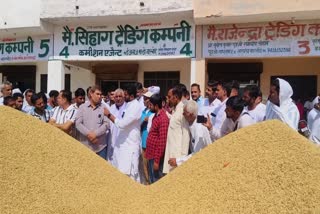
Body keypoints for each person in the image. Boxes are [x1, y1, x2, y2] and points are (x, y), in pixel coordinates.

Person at [103, 83, 142, 182]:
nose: (124, 97)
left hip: (130, 147)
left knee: (131, 177)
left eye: (125, 95)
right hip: (121, 147)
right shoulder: (129, 105)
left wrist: (109, 115)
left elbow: (122, 124)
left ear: (132, 96)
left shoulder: (135, 107)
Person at [168, 100, 211, 168]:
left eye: (184, 113)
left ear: (191, 114)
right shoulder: (191, 122)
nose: (183, 114)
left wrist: (177, 161)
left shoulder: (199, 129)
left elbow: (197, 154)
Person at [75, 86, 110, 159]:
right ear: (91, 94)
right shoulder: (82, 107)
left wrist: (95, 134)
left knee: (101, 169)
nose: (100, 96)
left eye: (100, 94)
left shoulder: (104, 108)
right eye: (97, 94)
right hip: (85, 146)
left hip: (100, 147)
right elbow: (78, 123)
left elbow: (106, 124)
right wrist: (89, 134)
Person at [163, 86, 190, 174]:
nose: (168, 99)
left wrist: (182, 158)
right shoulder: (176, 109)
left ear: (176, 97)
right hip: (171, 151)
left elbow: (186, 134)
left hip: (177, 155)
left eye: (169, 97)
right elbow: (175, 123)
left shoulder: (183, 110)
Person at [145, 94, 170, 183]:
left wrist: (157, 161)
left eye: (151, 105)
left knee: (157, 182)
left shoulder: (163, 119)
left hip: (156, 157)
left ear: (156, 106)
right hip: (151, 155)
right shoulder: (155, 116)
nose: (149, 107)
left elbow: (162, 142)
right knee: (152, 181)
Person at [107, 88, 127, 163]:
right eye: (116, 97)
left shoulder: (128, 108)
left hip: (124, 141)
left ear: (124, 97)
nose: (118, 99)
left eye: (120, 96)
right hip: (112, 140)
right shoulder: (111, 109)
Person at [140, 90, 155, 184]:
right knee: (144, 166)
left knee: (152, 166)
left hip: (151, 143)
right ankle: (147, 183)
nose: (144, 100)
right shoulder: (143, 111)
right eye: (143, 98)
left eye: (146, 99)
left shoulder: (153, 111)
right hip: (143, 142)